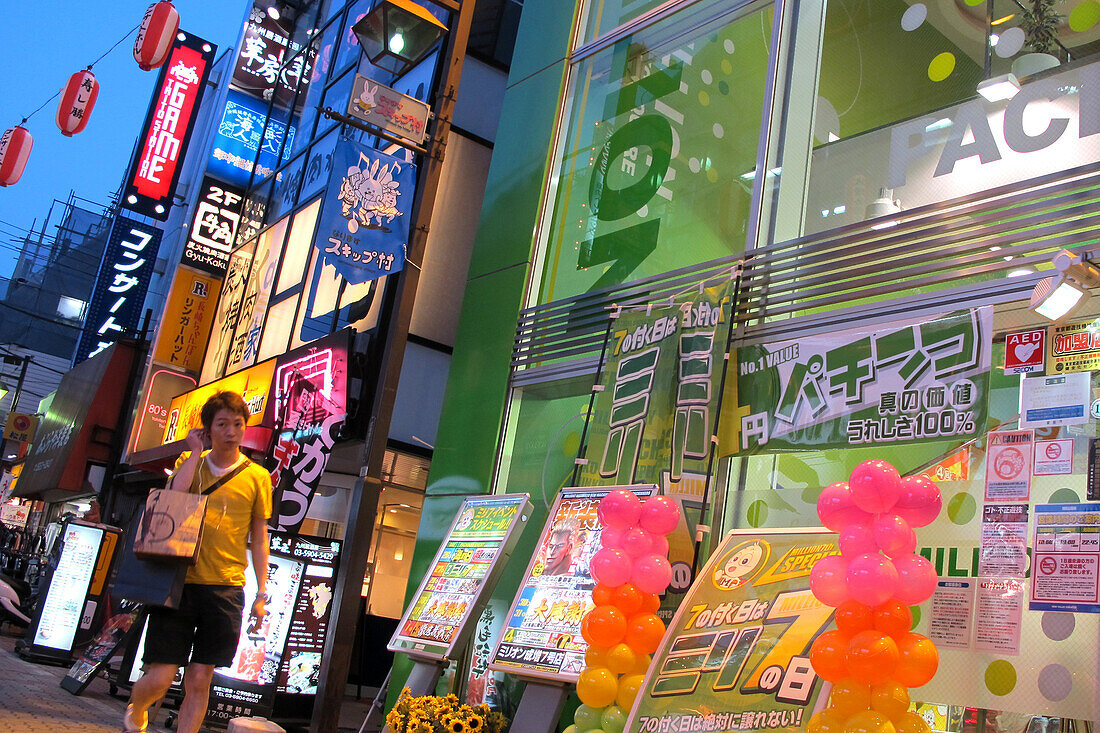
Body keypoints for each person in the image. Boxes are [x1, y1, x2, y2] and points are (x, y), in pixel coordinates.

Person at [123, 391, 273, 733]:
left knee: (200, 678)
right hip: (176, 583)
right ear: (209, 429)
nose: (232, 431)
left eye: (238, 424)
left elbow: (259, 536)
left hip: (226, 587)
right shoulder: (190, 464)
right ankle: (138, 708)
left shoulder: (257, 477)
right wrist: (192, 451)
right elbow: (174, 496)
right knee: (160, 675)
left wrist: (262, 591)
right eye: (222, 424)